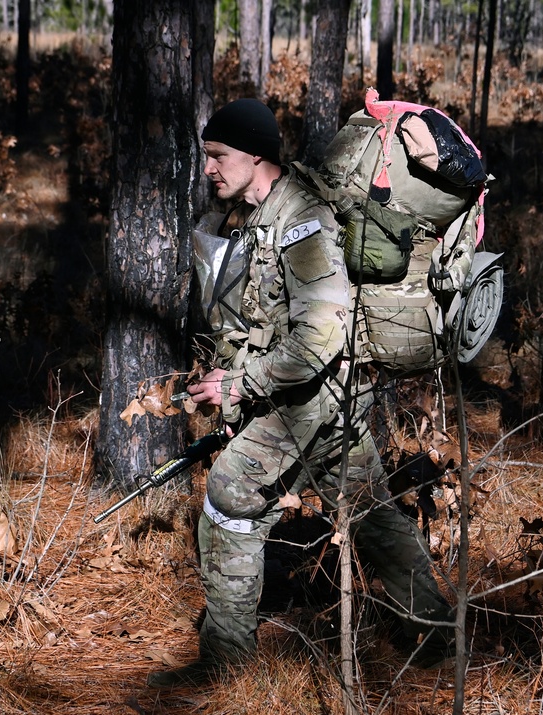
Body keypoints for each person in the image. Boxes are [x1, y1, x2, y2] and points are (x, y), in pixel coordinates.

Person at [146, 98, 454, 689]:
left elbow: (321, 334)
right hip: (317, 393)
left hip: (318, 393)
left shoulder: (302, 220)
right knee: (371, 513)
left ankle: (226, 664)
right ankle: (439, 632)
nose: (209, 168)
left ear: (256, 155)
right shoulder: (260, 214)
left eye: (219, 156)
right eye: (206, 156)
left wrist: (243, 384)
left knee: (233, 492)